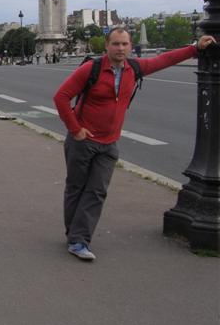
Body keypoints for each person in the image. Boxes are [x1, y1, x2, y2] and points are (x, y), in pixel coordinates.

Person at [53, 27, 216, 261]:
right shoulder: (92, 69)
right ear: (106, 46)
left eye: (124, 44)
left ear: (131, 47)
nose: (120, 49)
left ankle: (79, 240)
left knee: (97, 191)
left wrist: (194, 48)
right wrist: (75, 129)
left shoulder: (135, 68)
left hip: (109, 143)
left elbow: (163, 59)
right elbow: (61, 97)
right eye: (116, 44)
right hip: (83, 141)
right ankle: (74, 233)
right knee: (76, 188)